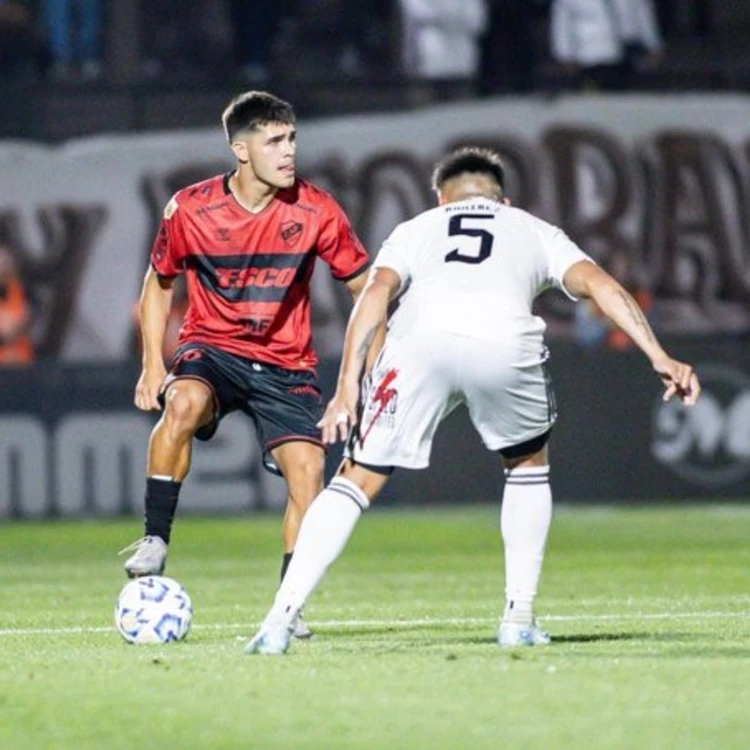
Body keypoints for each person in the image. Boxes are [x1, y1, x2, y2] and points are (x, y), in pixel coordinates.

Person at [245, 146, 701, 655]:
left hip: (419, 344)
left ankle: (278, 621)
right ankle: (518, 619)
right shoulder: (531, 228)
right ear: (503, 199)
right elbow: (599, 284)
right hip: (503, 343)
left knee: (357, 477)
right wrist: (658, 353)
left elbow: (375, 294)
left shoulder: (416, 229)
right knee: (528, 462)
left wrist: (349, 382)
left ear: (441, 198)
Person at [119, 90, 373, 639]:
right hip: (213, 347)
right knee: (182, 403)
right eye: (275, 141)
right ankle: (155, 538)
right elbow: (158, 285)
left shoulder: (317, 209)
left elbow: (365, 288)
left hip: (286, 364)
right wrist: (151, 364)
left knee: (308, 473)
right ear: (240, 149)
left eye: (293, 139)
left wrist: (368, 364)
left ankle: (289, 604)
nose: (289, 152)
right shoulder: (191, 208)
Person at [550, 0, 663, 91]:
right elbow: (562, 24)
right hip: (590, 57)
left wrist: (653, 45)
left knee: (625, 101)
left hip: (627, 54)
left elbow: (643, 14)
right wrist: (567, 56)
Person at [0, 244, 34, 365]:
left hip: (20, 362)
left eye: (6, 264)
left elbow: (28, 321)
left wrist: (18, 330)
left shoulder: (20, 291)